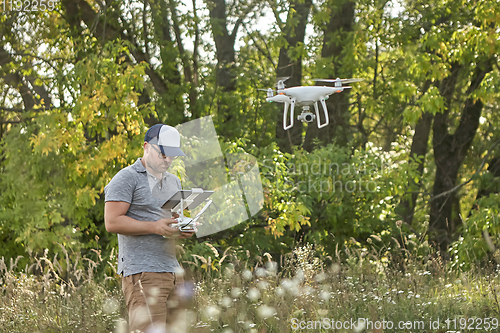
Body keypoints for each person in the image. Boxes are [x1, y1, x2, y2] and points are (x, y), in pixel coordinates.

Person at [104, 124, 194, 333]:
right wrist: (155, 227)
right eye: (163, 154)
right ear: (146, 146)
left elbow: (170, 220)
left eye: (172, 155)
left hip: (173, 272)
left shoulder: (174, 181)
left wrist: (182, 228)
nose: (168, 160)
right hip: (143, 273)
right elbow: (112, 222)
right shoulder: (127, 178)